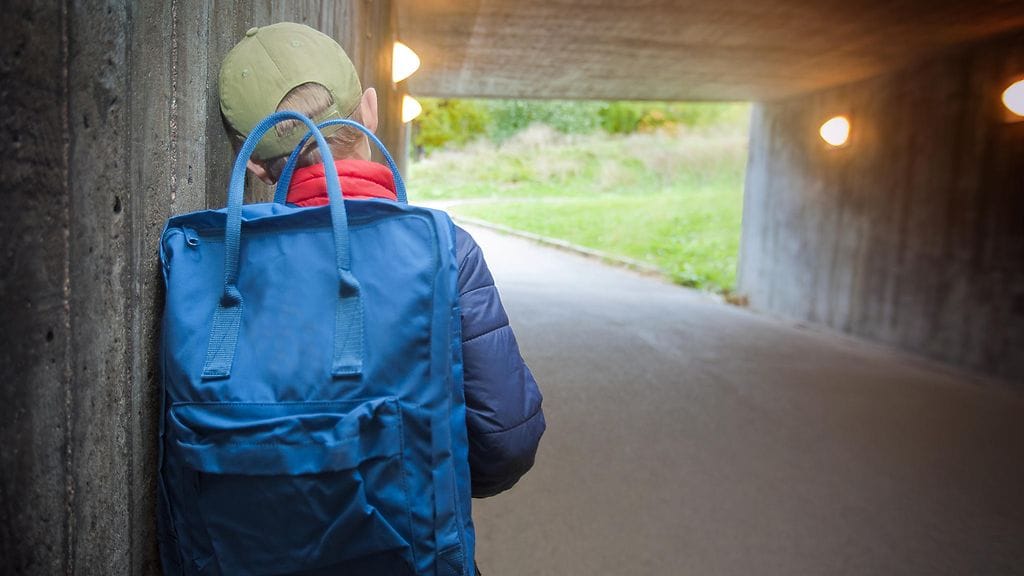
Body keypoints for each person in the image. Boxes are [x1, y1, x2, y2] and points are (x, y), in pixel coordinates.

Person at [217, 21, 546, 568]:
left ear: (254, 163)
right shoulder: (444, 250)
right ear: (369, 109)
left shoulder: (219, 257)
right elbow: (507, 440)